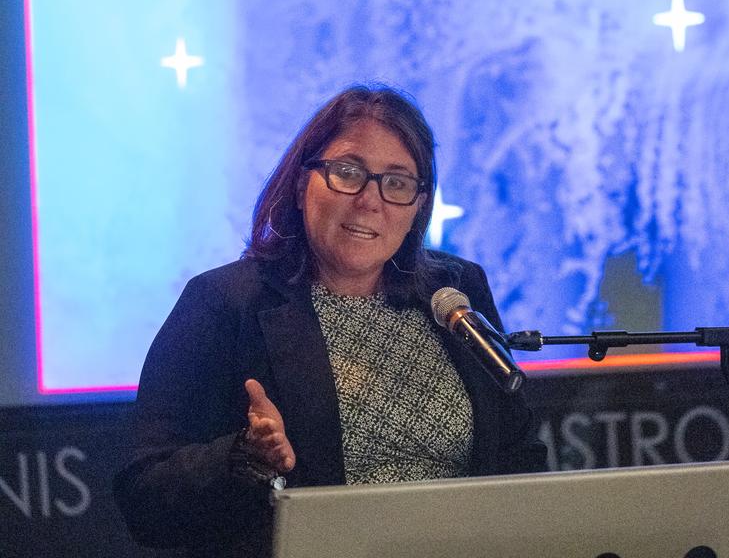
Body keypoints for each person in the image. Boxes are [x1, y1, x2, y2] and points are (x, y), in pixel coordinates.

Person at [114, 84, 546, 556]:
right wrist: (244, 457)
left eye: (397, 182)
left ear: (419, 204)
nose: (370, 200)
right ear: (302, 185)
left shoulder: (456, 292)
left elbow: (519, 457)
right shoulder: (225, 303)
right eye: (348, 172)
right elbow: (145, 497)